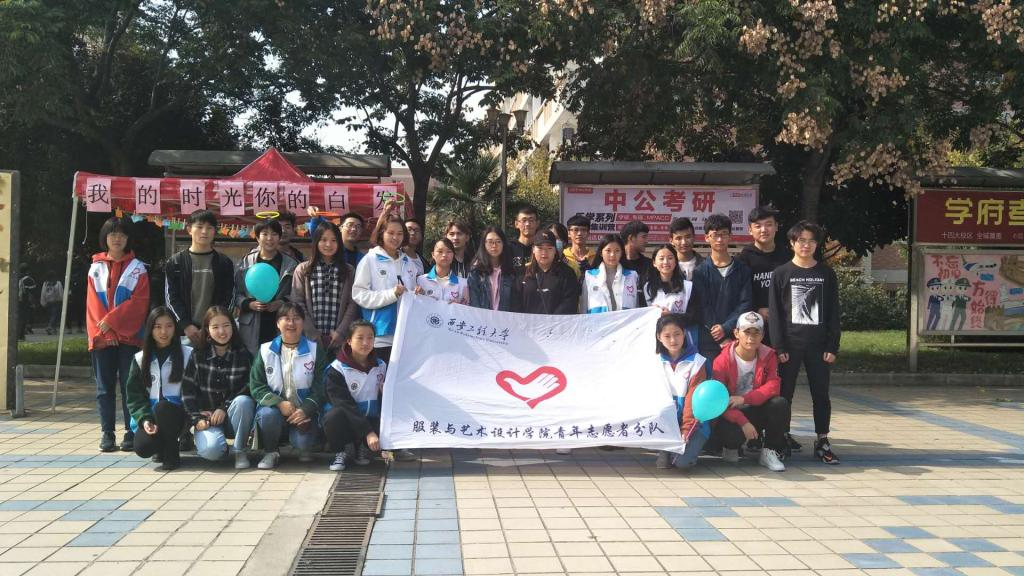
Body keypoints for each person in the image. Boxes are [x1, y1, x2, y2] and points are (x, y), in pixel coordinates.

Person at [768, 220, 841, 464]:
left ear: (816, 244)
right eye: (801, 240)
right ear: (792, 243)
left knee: (821, 395)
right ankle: (781, 437)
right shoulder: (781, 273)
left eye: (811, 241)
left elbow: (834, 312)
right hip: (789, 346)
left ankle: (822, 440)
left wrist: (832, 346)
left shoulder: (826, 274)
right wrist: (779, 346)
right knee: (784, 396)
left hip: (819, 347)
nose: (806, 245)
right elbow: (775, 314)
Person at [87, 217, 151, 452]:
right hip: (102, 337)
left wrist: (112, 323)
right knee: (104, 388)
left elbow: (139, 302)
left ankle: (130, 431)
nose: (117, 239)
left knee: (129, 386)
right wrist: (106, 332)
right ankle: (107, 432)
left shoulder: (138, 268)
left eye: (122, 235)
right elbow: (92, 305)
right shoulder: (95, 268)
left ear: (128, 239)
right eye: (112, 234)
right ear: (105, 237)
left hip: (129, 338)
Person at [249, 303, 329, 469]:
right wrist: (279, 403)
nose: (291, 323)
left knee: (303, 443)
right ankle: (270, 451)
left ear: (303, 323)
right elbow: (256, 386)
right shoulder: (265, 350)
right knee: (267, 415)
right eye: (286, 318)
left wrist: (306, 409)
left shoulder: (315, 350)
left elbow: (322, 386)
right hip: (275, 410)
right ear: (278, 323)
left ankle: (305, 446)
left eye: (296, 318)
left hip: (303, 412)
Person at [709, 312, 789, 472]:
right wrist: (743, 422)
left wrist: (744, 399)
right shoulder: (721, 361)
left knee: (780, 404)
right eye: (746, 332)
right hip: (730, 413)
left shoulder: (769, 356)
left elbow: (773, 386)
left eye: (756, 333)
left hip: (754, 407)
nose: (751, 338)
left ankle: (769, 451)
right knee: (731, 436)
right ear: (736, 333)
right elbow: (719, 400)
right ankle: (730, 447)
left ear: (762, 335)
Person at [182, 306, 256, 469]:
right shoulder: (198, 354)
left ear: (233, 327)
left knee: (244, 401)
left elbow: (250, 386)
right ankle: (221, 448)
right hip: (208, 418)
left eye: (226, 325)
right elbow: (187, 392)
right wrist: (196, 419)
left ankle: (239, 450)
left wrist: (223, 408)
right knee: (211, 451)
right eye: (215, 327)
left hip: (234, 416)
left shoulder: (242, 353)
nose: (222, 331)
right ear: (207, 330)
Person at [125, 307, 193, 471]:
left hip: (179, 415)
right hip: (151, 415)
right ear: (150, 329)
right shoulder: (140, 359)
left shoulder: (188, 354)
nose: (164, 332)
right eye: (158, 327)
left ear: (175, 328)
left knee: (162, 408)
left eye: (169, 326)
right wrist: (145, 419)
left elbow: (195, 390)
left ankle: (171, 454)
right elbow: (134, 396)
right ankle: (160, 447)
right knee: (143, 447)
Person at [352, 214, 420, 364]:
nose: (395, 237)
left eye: (400, 233)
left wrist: (417, 294)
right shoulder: (370, 260)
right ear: (382, 233)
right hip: (379, 335)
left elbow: (411, 294)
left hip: (404, 334)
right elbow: (359, 294)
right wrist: (391, 294)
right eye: (391, 233)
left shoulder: (409, 263)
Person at [692, 214, 752, 371]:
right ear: (707, 238)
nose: (720, 239)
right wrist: (718, 332)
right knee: (711, 379)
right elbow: (703, 306)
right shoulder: (700, 272)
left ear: (730, 236)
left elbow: (745, 303)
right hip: (709, 338)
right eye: (715, 235)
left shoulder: (742, 270)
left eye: (724, 234)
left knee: (737, 380)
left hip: (737, 336)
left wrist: (726, 328)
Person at [165, 210, 235, 344]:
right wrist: (186, 325)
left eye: (209, 228)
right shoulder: (176, 262)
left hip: (215, 332)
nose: (204, 232)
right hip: (184, 333)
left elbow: (229, 297)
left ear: (215, 231)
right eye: (200, 227)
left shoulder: (224, 262)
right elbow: (171, 297)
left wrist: (214, 326)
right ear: (189, 230)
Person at [322, 320, 385, 471]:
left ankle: (362, 447)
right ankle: (341, 450)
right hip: (348, 419)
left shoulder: (381, 366)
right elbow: (344, 405)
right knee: (333, 417)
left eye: (370, 338)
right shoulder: (336, 369)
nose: (365, 343)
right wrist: (368, 432)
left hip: (371, 418)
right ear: (349, 341)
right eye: (360, 338)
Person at [234, 219, 299, 355]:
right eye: (265, 234)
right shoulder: (245, 263)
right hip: (251, 324)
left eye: (274, 234)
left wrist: (281, 303)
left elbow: (297, 295)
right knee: (253, 361)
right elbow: (236, 293)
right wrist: (248, 304)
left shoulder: (291, 264)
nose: (269, 238)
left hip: (280, 322)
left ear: (279, 237)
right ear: (257, 237)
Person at [291, 221, 359, 352]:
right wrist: (312, 333)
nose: (328, 244)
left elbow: (352, 303)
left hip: (339, 339)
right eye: (323, 240)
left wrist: (340, 332)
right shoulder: (303, 269)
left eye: (333, 240)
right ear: (316, 242)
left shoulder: (349, 270)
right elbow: (297, 302)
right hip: (309, 339)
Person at [654, 314, 708, 470]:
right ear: (659, 337)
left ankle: (689, 452)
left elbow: (693, 401)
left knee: (681, 463)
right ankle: (664, 450)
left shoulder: (697, 362)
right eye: (667, 336)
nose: (673, 340)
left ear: (684, 333)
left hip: (694, 423)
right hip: (666, 423)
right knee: (664, 464)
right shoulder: (654, 361)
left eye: (677, 334)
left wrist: (686, 429)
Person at [736, 206, 791, 345]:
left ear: (776, 227)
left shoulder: (788, 256)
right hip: (753, 324)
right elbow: (740, 293)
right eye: (758, 226)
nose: (763, 230)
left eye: (768, 224)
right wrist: (757, 309)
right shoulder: (743, 259)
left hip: (784, 321)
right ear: (750, 230)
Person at [513, 230, 579, 315]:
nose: (544, 253)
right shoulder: (522, 273)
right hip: (527, 322)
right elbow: (515, 303)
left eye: (549, 248)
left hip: (557, 322)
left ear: (555, 250)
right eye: (540, 248)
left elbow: (570, 303)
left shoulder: (567, 273)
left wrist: (551, 321)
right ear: (533, 249)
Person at [642, 245, 700, 327]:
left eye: (670, 258)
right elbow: (643, 316)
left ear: (676, 261)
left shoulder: (688, 286)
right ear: (654, 263)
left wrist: (671, 316)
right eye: (661, 258)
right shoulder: (648, 287)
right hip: (655, 333)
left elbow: (694, 316)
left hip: (681, 332)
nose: (666, 262)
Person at [581, 234, 639, 313]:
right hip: (598, 320)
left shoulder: (632, 276)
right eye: (608, 251)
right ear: (601, 253)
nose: (612, 255)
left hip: (625, 320)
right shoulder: (590, 276)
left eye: (617, 251)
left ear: (622, 253)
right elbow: (584, 307)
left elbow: (637, 308)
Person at [468, 226, 516, 311]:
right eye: (490, 242)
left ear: (503, 244)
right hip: (482, 318)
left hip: (505, 318)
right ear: (484, 244)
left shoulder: (510, 271)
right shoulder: (476, 271)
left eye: (498, 241)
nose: (494, 245)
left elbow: (514, 303)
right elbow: (474, 302)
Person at [416, 238, 469, 304]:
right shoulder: (421, 280)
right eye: (440, 251)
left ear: (453, 255)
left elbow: (467, 308)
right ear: (433, 255)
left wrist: (458, 307)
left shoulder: (463, 284)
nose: (444, 255)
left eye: (449, 251)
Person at [620, 220, 652, 286]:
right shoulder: (615, 263)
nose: (647, 241)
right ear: (631, 238)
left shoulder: (650, 265)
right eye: (644, 237)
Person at [508, 206, 539, 271]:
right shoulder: (508, 248)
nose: (527, 224)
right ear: (516, 224)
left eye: (531, 220)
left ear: (537, 223)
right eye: (524, 220)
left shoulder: (541, 248)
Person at [17, 265, 36, 339]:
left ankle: (18, 333)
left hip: (16, 301)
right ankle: (21, 334)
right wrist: (32, 302)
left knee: (18, 317)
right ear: (28, 271)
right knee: (24, 318)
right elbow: (32, 292)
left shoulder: (16, 278)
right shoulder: (29, 280)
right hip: (25, 301)